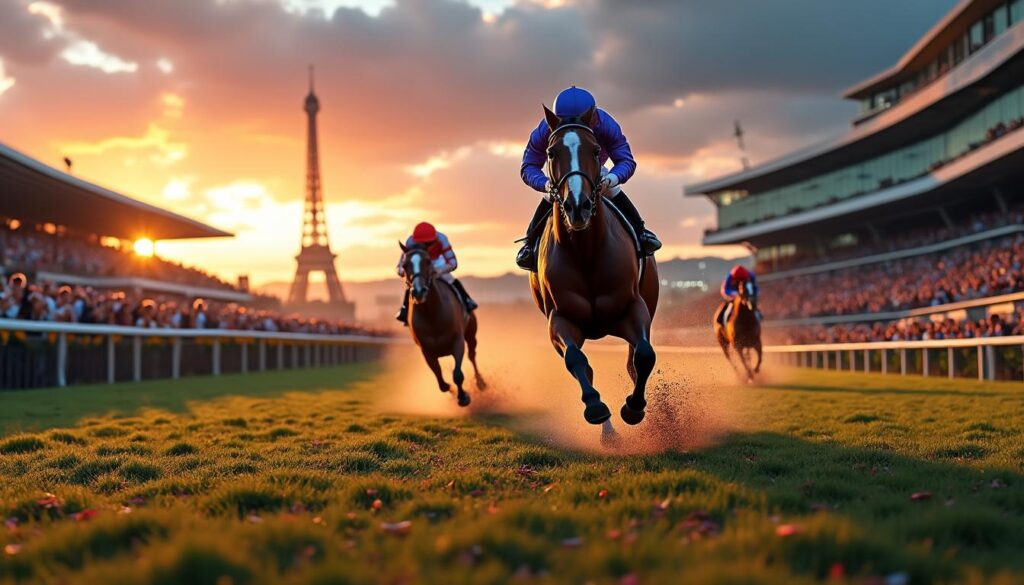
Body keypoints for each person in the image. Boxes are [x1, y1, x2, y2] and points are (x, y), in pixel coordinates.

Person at [516, 86, 661, 271]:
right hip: (562, 175)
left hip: (595, 171)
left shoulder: (605, 123)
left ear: (592, 117)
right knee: (549, 197)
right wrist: (546, 184)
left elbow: (625, 160)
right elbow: (529, 165)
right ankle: (530, 244)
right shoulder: (546, 127)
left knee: (613, 190)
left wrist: (611, 179)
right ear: (556, 119)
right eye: (566, 122)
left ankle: (641, 233)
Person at [396, 222, 477, 324]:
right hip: (420, 265)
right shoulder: (409, 242)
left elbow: (453, 263)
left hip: (437, 262)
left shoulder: (442, 239)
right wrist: (405, 272)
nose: (425, 246)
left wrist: (439, 271)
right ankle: (405, 310)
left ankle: (467, 300)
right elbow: (400, 266)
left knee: (450, 279)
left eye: (428, 243)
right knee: (413, 284)